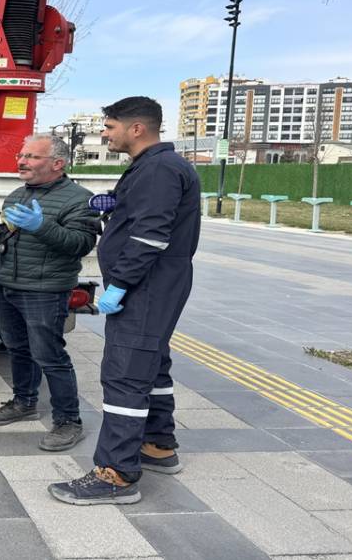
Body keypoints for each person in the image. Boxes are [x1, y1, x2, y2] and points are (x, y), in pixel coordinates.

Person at [49, 96, 201, 506]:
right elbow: (145, 217)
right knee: (153, 366)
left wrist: (121, 284)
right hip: (154, 285)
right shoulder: (155, 168)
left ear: (137, 129)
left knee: (126, 374)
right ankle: (157, 446)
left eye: (110, 126)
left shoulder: (160, 169)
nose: (104, 132)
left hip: (146, 286)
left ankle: (116, 473)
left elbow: (151, 235)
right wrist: (115, 205)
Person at [0, 134, 99, 451]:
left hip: (45, 291)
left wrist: (43, 226)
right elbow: (6, 236)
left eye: (32, 157)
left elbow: (80, 244)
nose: (21, 161)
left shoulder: (79, 199)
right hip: (9, 285)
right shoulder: (16, 195)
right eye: (22, 155)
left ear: (57, 163)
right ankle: (24, 402)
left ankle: (69, 421)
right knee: (17, 349)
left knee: (50, 356)